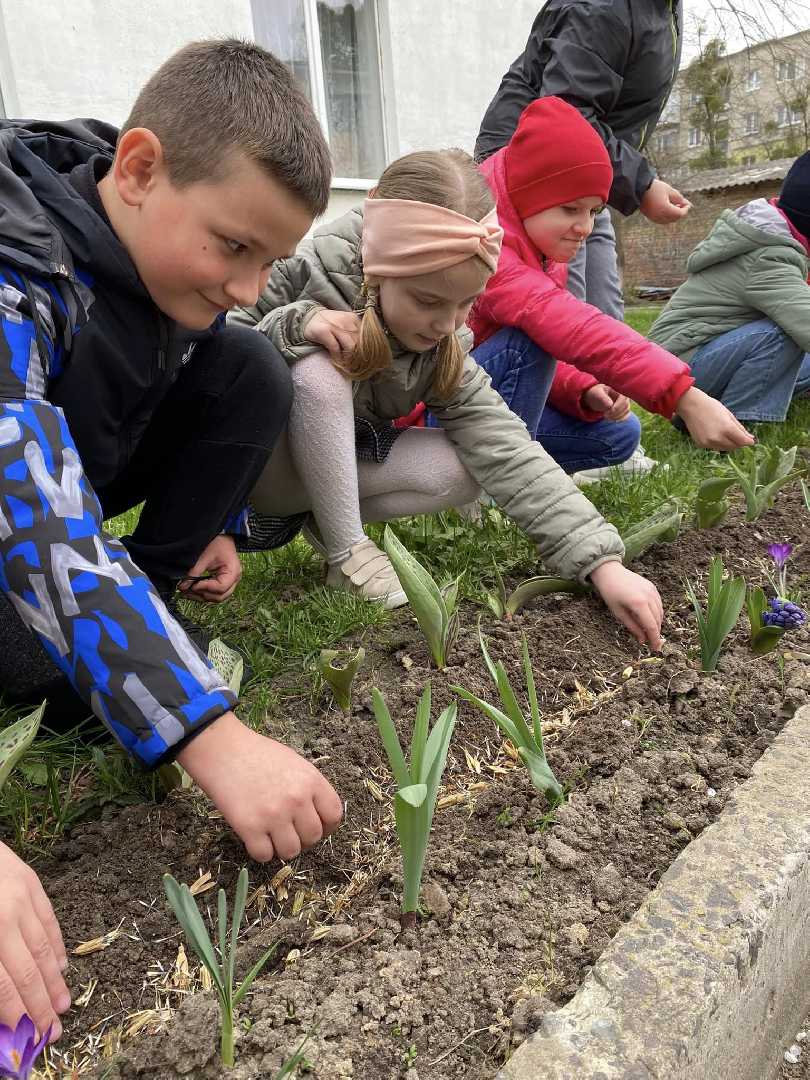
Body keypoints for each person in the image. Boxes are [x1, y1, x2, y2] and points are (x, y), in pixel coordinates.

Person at [0, 39, 344, 1039]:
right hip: (22, 499)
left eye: (270, 260)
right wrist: (206, 731)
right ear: (140, 168)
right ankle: (103, 656)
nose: (250, 283)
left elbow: (184, 385)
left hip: (78, 462)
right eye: (235, 248)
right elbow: (27, 498)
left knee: (252, 367)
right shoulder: (15, 274)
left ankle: (133, 617)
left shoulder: (145, 231)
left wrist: (218, 521)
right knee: (33, 659)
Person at [232, 147, 665, 649]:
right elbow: (210, 357)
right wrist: (290, 326)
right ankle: (347, 551)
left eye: (467, 303)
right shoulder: (303, 269)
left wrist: (602, 564)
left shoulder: (444, 344)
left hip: (320, 475)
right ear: (377, 268)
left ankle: (328, 519)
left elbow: (506, 447)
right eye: (428, 301)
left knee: (466, 467)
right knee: (318, 370)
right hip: (249, 478)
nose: (446, 324)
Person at [467, 97, 754, 479]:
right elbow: (570, 327)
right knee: (528, 340)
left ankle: (511, 469)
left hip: (483, 400)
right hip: (437, 421)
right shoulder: (486, 250)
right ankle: (496, 486)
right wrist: (683, 396)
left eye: (594, 211)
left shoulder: (541, 246)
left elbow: (541, 350)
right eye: (570, 209)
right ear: (526, 195)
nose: (585, 227)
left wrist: (583, 388)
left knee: (619, 435)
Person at [475, 0, 690, 320]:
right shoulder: (602, 7)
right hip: (537, 173)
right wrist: (641, 184)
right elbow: (566, 113)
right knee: (558, 316)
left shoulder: (664, 8)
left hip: (590, 178)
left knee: (605, 313)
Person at [649, 150, 810, 422]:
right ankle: (734, 424)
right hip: (676, 371)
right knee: (784, 332)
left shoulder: (777, 240)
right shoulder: (767, 256)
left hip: (702, 358)